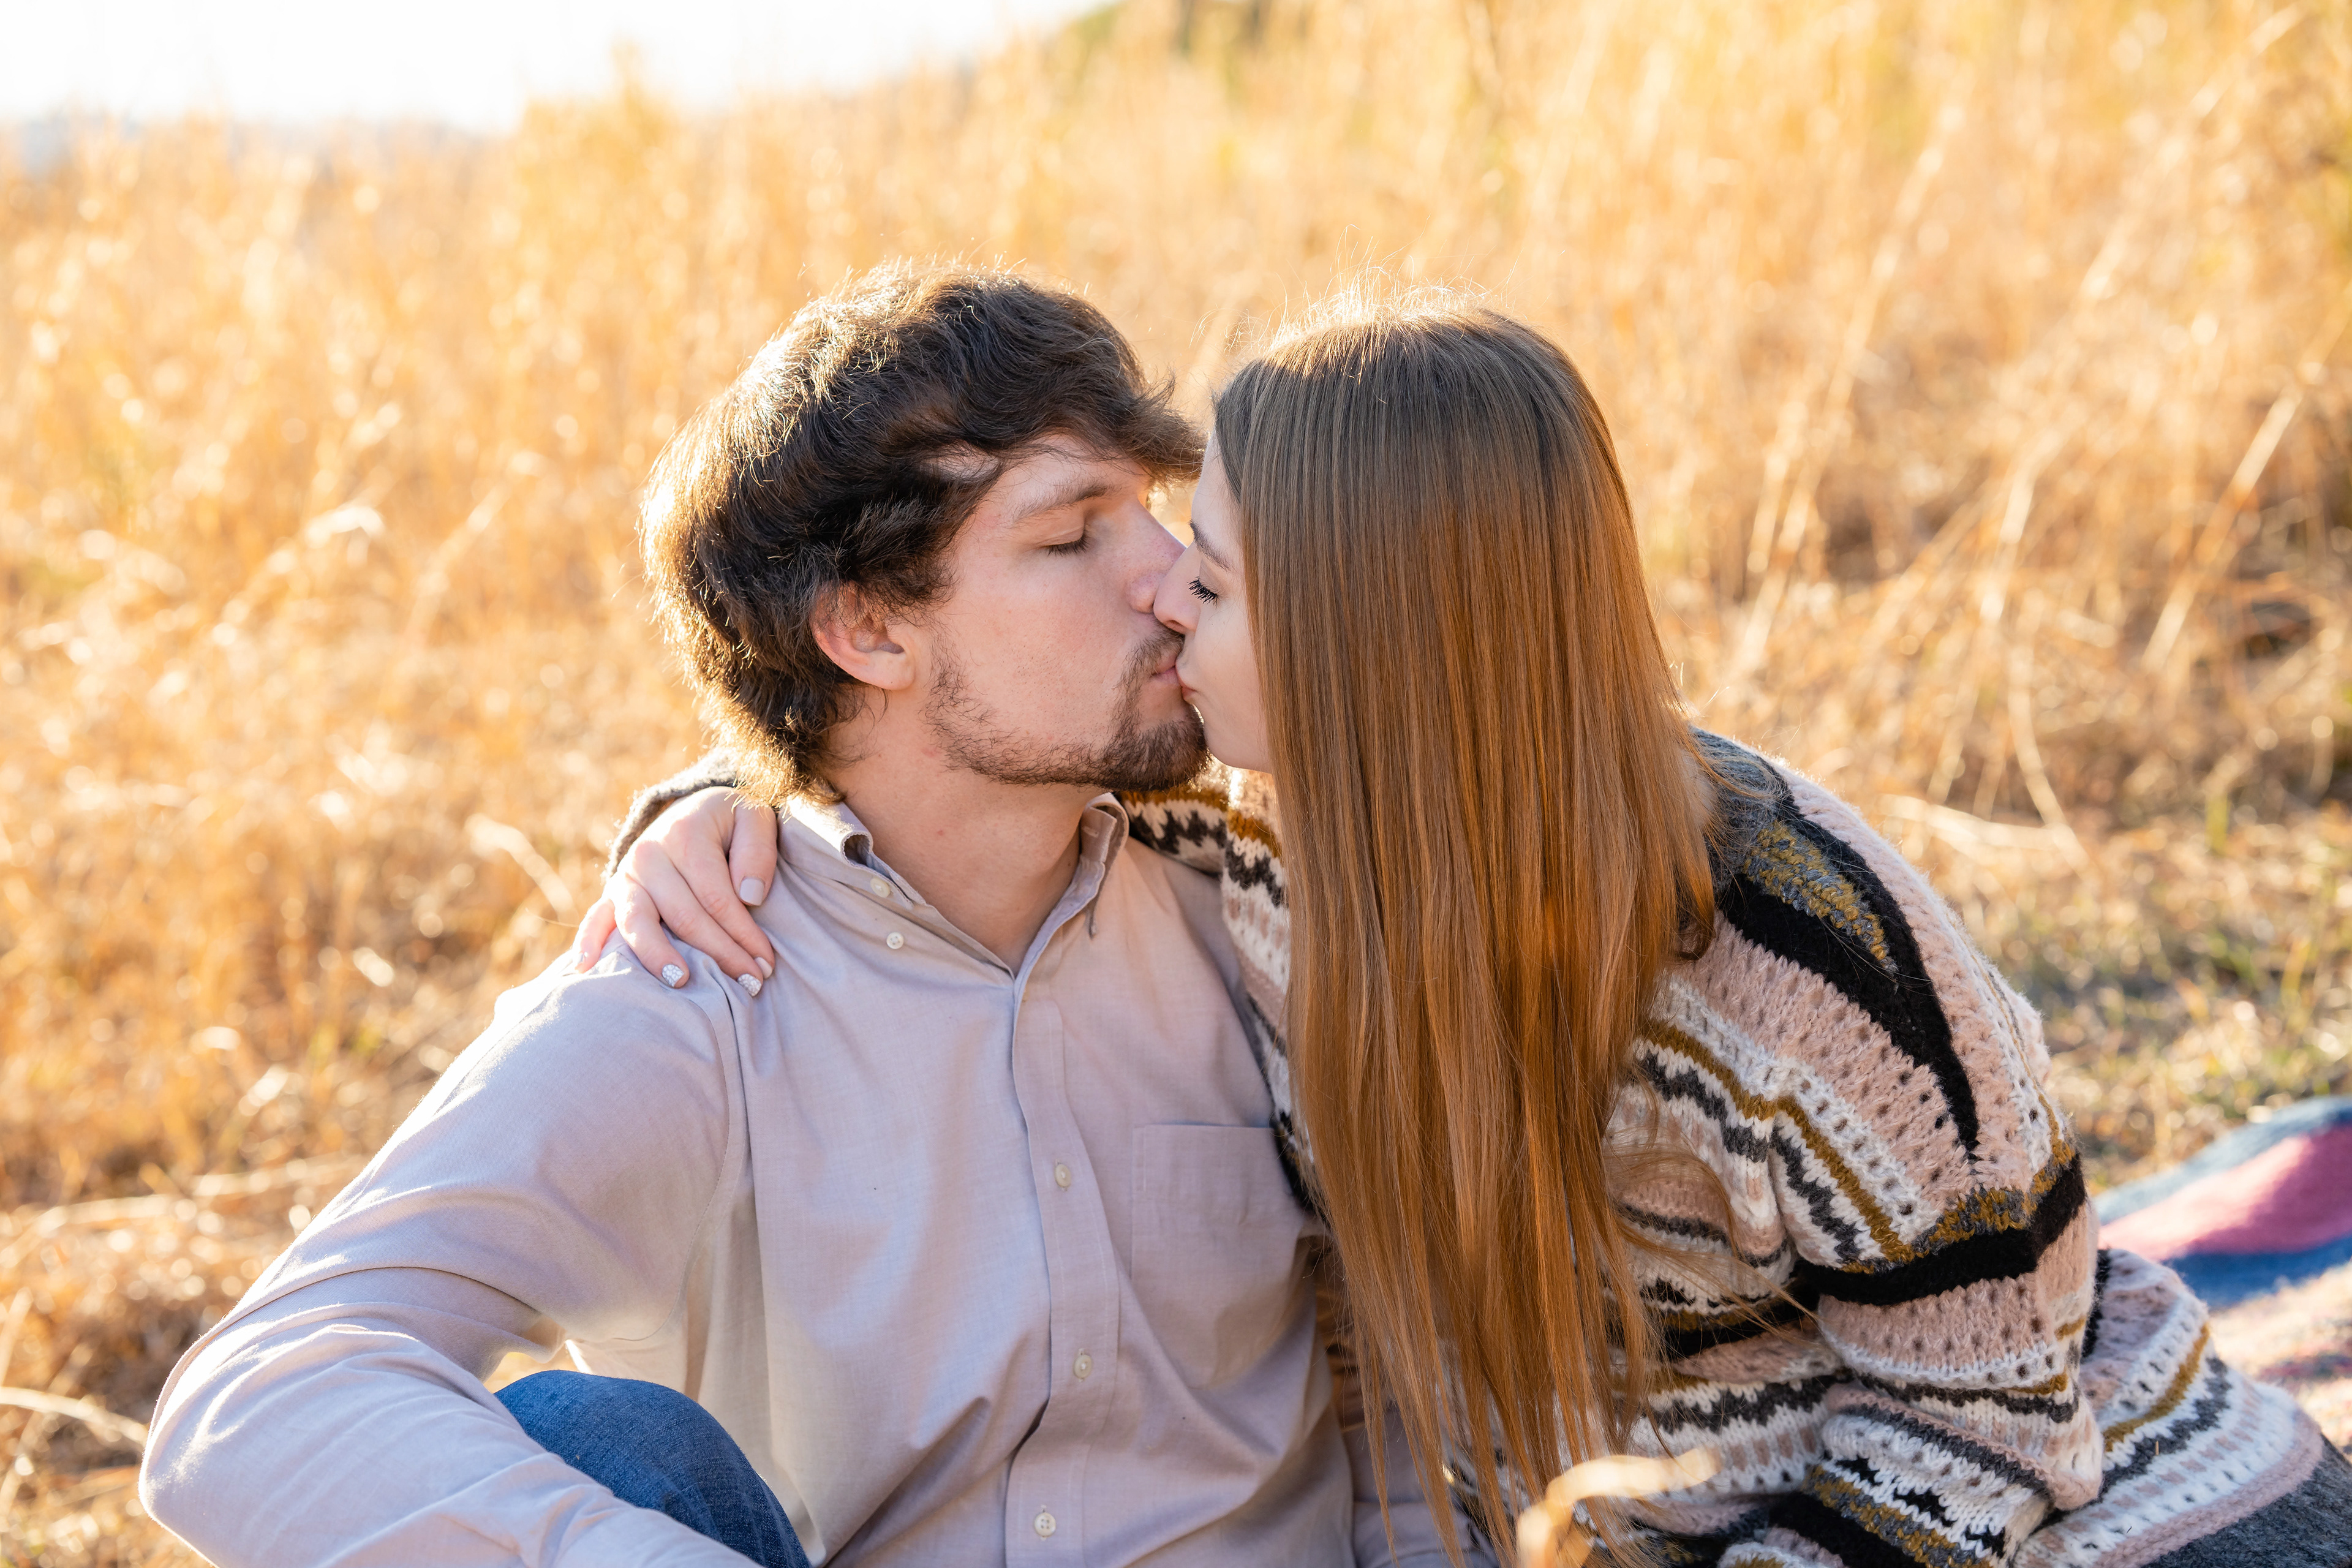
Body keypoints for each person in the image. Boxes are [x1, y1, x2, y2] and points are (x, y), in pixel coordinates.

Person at [601, 290, 2352, 1568]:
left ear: (1362, 642)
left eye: (1205, 581)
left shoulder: (1803, 954)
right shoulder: (1251, 854)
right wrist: (710, 813)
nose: (1158, 606)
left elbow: (1985, 1410)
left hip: (2102, 1520)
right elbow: (937, 749)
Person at [139, 265, 1474, 1568]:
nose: (1170, 574)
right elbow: (256, 1398)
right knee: (590, 1436)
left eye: (1153, 511)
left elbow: (1433, 1388)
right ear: (869, 634)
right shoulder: (697, 979)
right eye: (1073, 536)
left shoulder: (1263, 901)